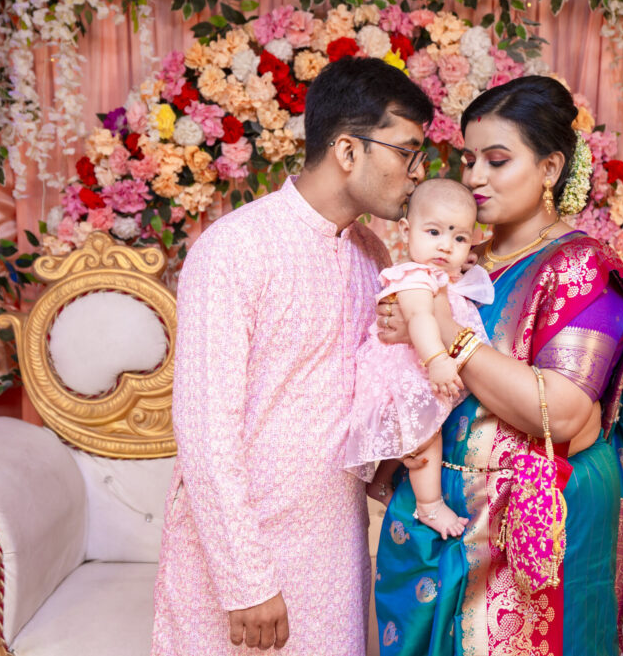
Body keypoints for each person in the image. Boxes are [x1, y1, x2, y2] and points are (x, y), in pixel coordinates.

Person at [372, 75, 623, 656]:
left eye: (497, 160)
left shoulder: (581, 267)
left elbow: (560, 414)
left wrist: (445, 330)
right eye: (469, 160)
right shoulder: (460, 257)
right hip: (434, 506)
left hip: (526, 522)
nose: (474, 178)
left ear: (550, 168)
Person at [151, 57, 433, 656]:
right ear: (348, 150)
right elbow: (204, 430)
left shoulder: (373, 255)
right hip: (240, 561)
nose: (417, 173)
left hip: (334, 550)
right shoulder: (235, 249)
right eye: (407, 153)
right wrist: (246, 581)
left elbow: (368, 393)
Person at [343, 178, 494, 540]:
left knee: (415, 430)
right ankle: (430, 505)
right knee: (427, 436)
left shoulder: (436, 273)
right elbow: (420, 318)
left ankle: (381, 482)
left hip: (414, 368)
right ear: (406, 230)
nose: (445, 245)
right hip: (408, 370)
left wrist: (459, 266)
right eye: (434, 232)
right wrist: (438, 359)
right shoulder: (413, 277)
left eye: (459, 238)